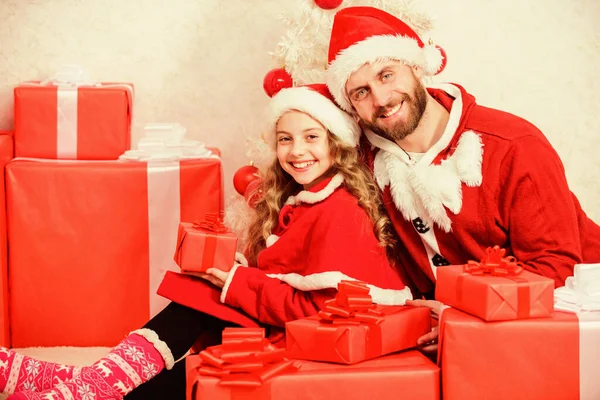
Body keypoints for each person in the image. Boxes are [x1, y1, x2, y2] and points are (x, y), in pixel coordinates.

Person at [2, 83, 412, 400]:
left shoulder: (338, 211)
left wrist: (236, 283)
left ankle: (96, 384)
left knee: (209, 319)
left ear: (335, 145)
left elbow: (314, 311)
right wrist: (234, 277)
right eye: (285, 138)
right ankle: (90, 380)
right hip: (297, 327)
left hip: (316, 342)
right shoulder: (304, 200)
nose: (296, 150)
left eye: (311, 137)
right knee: (202, 291)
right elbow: (284, 279)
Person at [324, 6, 600, 353]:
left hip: (579, 318)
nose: (381, 99)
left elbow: (556, 269)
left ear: (415, 67)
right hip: (472, 334)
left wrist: (461, 320)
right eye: (360, 92)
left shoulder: (512, 145)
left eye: (386, 75)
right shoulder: (365, 165)